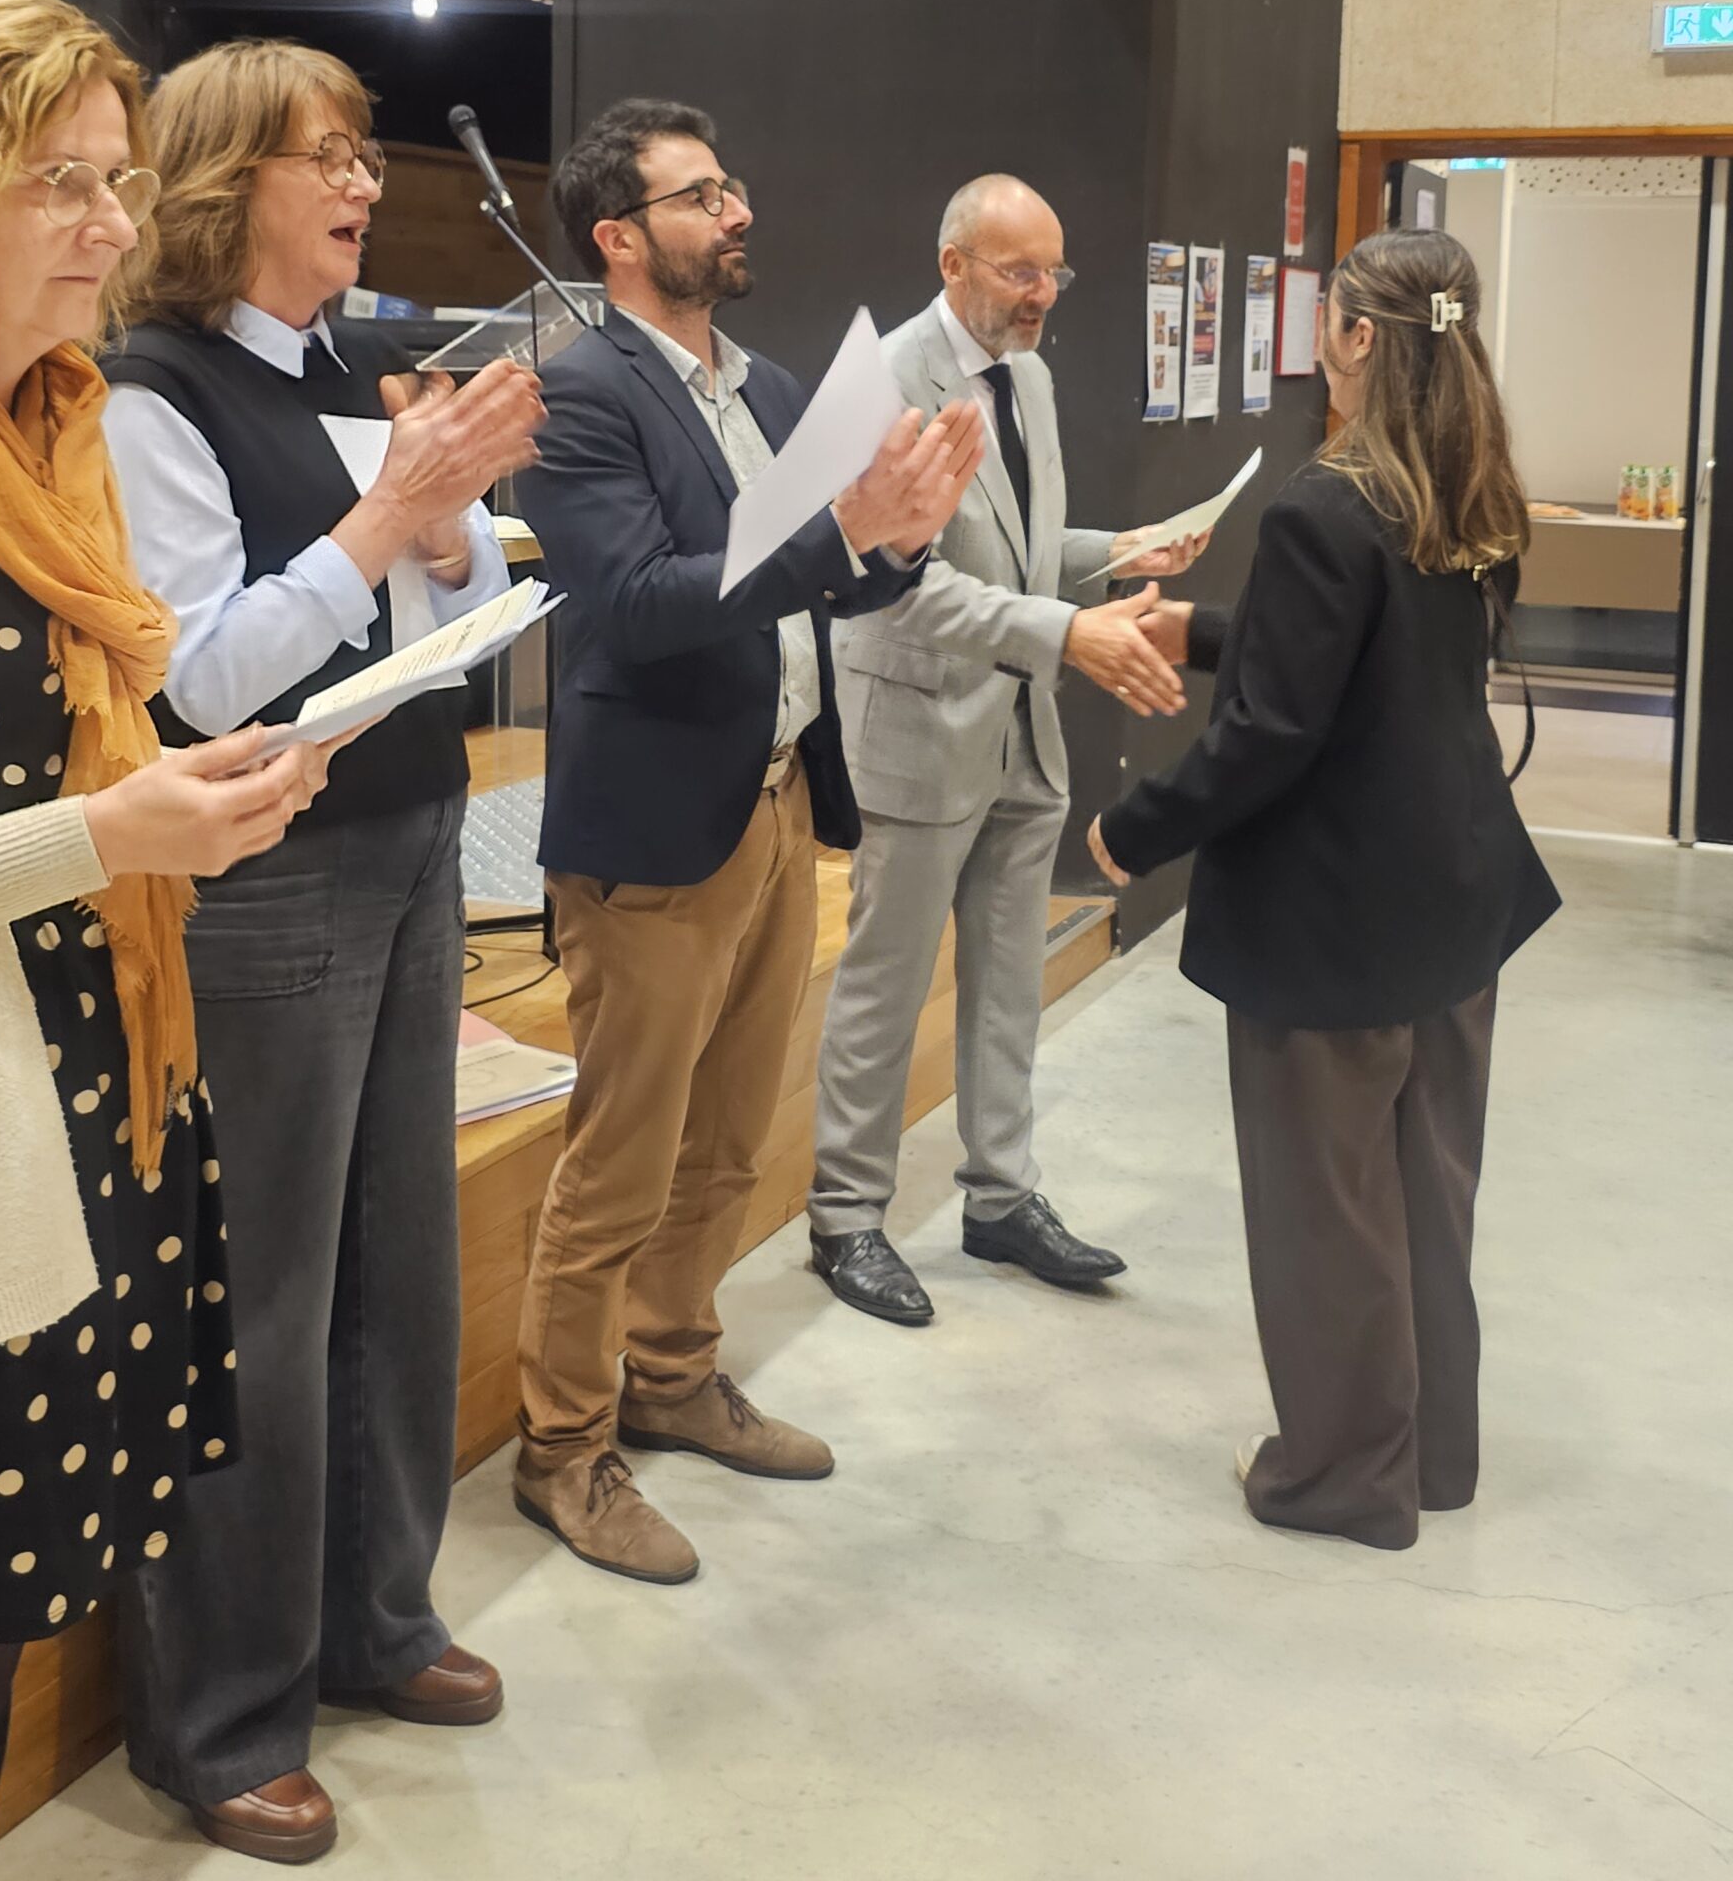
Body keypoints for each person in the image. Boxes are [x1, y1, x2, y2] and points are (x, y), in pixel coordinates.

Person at [0, 0, 331, 1881]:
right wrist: (105, 835)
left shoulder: (52, 433)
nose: (116, 224)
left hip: (88, 1103)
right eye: (62, 182)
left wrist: (181, 795)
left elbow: (62, 764)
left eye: (118, 180)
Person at [101, 41, 542, 1863]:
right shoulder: (152, 389)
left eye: (366, 155)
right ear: (226, 184)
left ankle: (376, 1618)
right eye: (327, 158)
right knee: (262, 1299)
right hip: (267, 878)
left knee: (398, 1260)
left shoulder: (342, 367)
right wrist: (383, 519)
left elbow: (441, 604)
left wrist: (444, 525)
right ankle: (219, 1715)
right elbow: (202, 678)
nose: (363, 185)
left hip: (410, 836)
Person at [511, 99, 985, 1584]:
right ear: (619, 236)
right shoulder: (579, 395)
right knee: (621, 1163)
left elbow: (827, 586)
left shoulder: (770, 385)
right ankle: (562, 1448)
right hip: (655, 825)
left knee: (723, 1146)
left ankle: (672, 1375)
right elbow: (639, 603)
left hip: (773, 800)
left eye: (729, 187)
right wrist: (841, 535)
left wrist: (896, 533)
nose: (737, 211)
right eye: (702, 194)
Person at [1089, 228, 1560, 1551]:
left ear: (1358, 336)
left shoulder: (1325, 504)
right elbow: (1379, 662)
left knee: (1328, 1209)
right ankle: (1431, 1456)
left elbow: (1274, 735)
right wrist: (1202, 630)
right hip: (1454, 892)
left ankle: (1346, 1478)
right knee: (1426, 1193)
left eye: (1327, 319)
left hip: (1337, 913)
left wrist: (1135, 827)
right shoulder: (1466, 485)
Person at [809, 173, 1205, 1324]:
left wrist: (1118, 548)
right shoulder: (880, 383)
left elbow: (1021, 547)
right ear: (953, 265)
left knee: (1008, 982)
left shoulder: (1027, 374)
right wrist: (1067, 633)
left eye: (1054, 272)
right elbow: (897, 586)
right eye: (1019, 271)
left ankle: (1001, 1195)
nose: (1043, 294)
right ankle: (845, 1216)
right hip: (919, 727)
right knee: (885, 987)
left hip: (1022, 728)